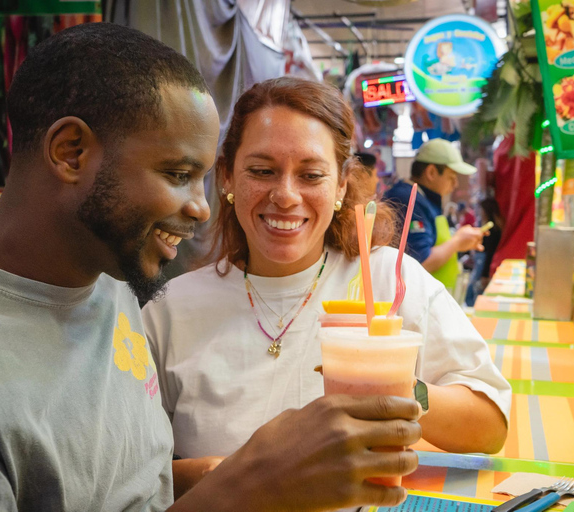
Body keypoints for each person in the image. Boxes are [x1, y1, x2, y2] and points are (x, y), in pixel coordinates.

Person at [0, 24, 425, 511]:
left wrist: (225, 473)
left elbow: (122, 488)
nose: (202, 208)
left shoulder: (108, 278)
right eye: (177, 174)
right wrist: (250, 486)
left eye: (202, 179)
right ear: (71, 153)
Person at [143, 77, 511, 497]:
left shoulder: (391, 280)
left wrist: (398, 387)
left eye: (311, 175)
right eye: (262, 171)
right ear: (227, 177)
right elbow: (127, 471)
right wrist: (229, 475)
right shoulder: (169, 310)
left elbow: (489, 425)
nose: (285, 196)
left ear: (339, 186)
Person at [383, 139, 486, 291]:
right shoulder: (408, 199)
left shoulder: (424, 199)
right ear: (431, 172)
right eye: (451, 177)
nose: (455, 184)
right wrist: (456, 242)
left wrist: (461, 242)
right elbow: (421, 261)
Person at [465, 198, 504, 306]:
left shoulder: (492, 229)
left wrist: (485, 274)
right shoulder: (492, 226)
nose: (478, 211)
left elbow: (489, 253)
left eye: (480, 209)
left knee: (475, 291)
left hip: (482, 263)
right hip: (481, 262)